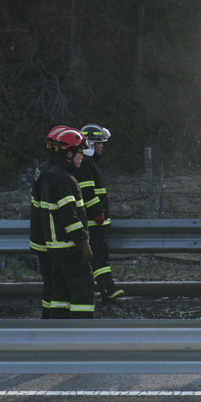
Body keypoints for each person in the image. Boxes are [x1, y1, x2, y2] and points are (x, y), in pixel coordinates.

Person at [36, 127, 95, 318]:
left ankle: (58, 334)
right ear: (69, 154)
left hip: (56, 248)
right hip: (69, 247)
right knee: (83, 290)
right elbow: (69, 216)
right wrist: (83, 242)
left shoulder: (51, 174)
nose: (83, 157)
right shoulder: (64, 179)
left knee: (59, 293)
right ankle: (82, 334)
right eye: (80, 152)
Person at [78, 124, 124, 301]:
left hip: (92, 221)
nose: (102, 146)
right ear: (90, 144)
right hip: (93, 222)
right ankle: (108, 290)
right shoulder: (86, 164)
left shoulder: (87, 163)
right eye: (99, 142)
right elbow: (88, 192)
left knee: (93, 257)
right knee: (99, 256)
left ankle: (94, 289)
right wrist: (98, 213)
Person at [29, 125, 68, 318]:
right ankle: (54, 322)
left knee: (50, 283)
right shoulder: (53, 173)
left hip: (40, 236)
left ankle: (48, 317)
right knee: (56, 283)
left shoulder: (43, 169)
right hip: (49, 239)